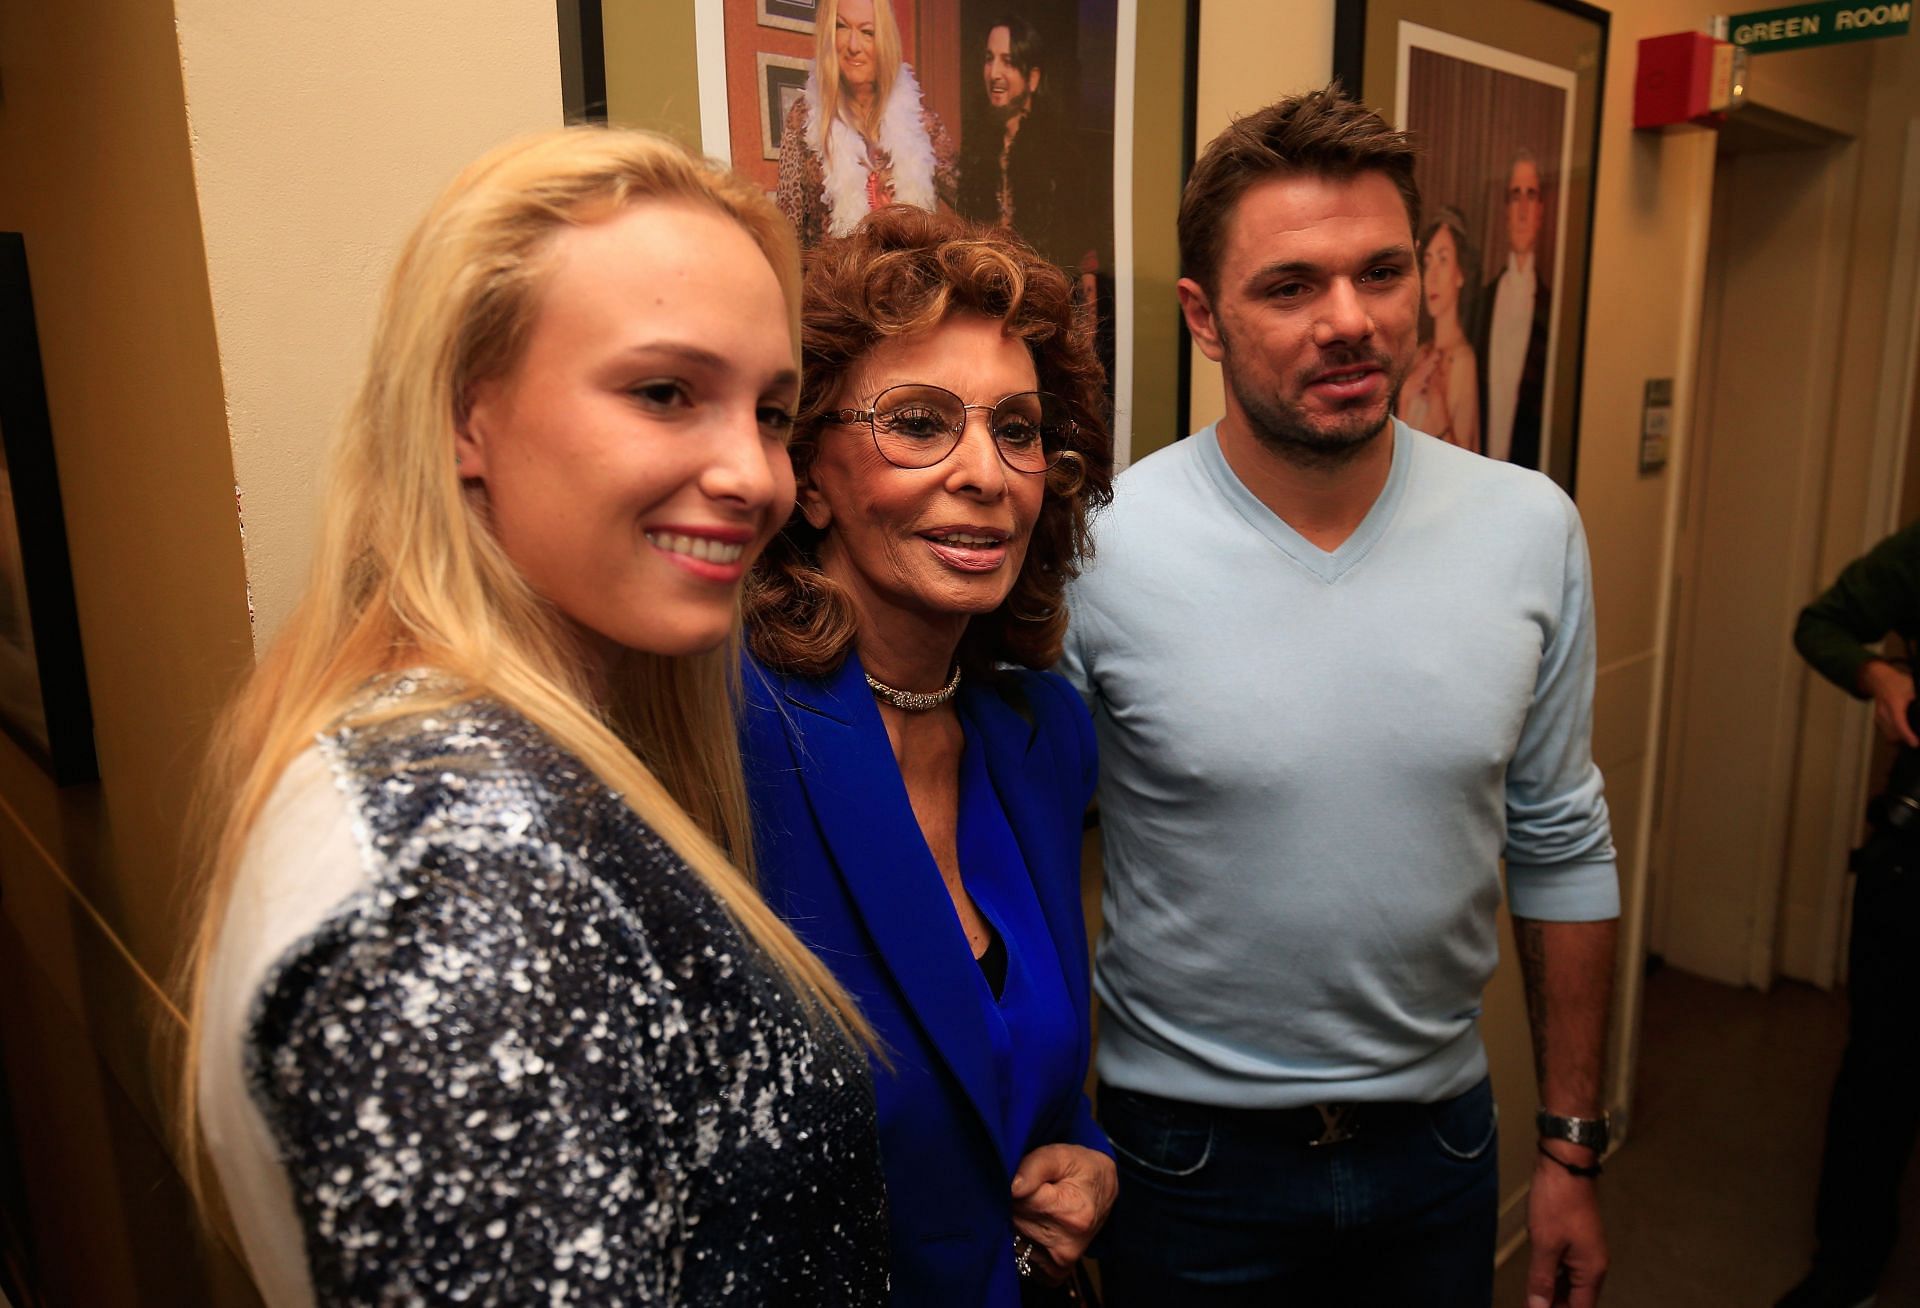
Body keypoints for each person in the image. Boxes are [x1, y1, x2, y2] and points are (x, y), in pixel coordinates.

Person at [182, 129, 890, 1307]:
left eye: (770, 413)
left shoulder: (460, 765)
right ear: (467, 418)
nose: (755, 476)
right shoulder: (467, 871)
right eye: (666, 392)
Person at [1060, 88, 1620, 1307]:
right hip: (1183, 1161)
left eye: (1381, 273)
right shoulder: (1098, 551)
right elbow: (1015, 853)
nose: (1350, 322)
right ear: (1203, 317)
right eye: (1292, 286)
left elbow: (1563, 837)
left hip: (1443, 1147)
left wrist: (1573, 1143)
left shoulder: (1532, 529)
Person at [741, 206, 1117, 1306]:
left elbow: (1024, 1077)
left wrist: (1085, 1158)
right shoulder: (726, 744)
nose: (986, 474)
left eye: (1017, 429)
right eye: (917, 422)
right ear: (809, 475)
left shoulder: (1041, 734)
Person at [1778, 520, 1920, 1308]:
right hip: (1911, 856)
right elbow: (1820, 624)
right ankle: (1848, 1267)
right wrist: (1879, 676)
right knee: (1881, 1068)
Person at [775, 0, 957, 250]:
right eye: (842, 27)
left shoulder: (921, 120)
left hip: (910, 284)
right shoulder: (802, 118)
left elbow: (973, 197)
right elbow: (787, 232)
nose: (853, 46)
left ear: (884, 39)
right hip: (836, 285)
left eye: (867, 32)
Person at [956, 15, 1070, 268]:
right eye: (989, 59)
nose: (994, 73)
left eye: (1007, 62)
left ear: (1033, 78)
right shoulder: (978, 147)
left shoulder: (1060, 153)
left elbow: (1081, 255)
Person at [1475, 147, 1552, 467]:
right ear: (1505, 210)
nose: (1522, 208)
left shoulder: (1551, 311)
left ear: (1541, 210)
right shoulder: (1481, 303)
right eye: (1515, 195)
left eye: (1530, 195)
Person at [1396, 205, 1482, 453]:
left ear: (1460, 273)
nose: (1432, 276)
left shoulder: (1463, 361)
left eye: (1443, 260)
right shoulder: (1421, 353)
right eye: (1428, 262)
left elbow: (1469, 466)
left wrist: (1439, 410)